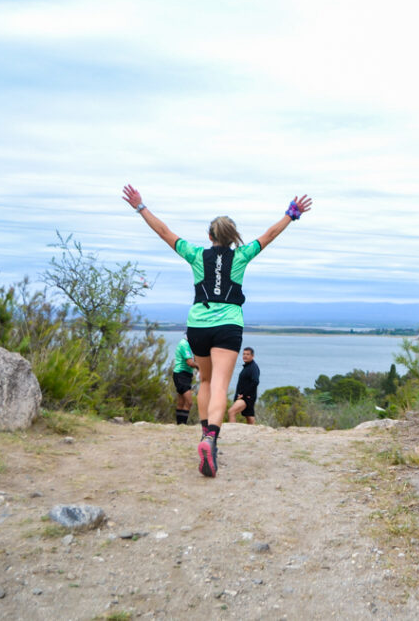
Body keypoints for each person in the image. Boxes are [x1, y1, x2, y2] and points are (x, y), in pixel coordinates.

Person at [122, 184, 312, 477]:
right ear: (232, 237)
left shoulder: (196, 254)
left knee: (206, 380)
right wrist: (292, 214)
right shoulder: (243, 255)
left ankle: (203, 435)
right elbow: (270, 235)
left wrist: (140, 206)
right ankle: (212, 438)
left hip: (198, 324)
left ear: (210, 237)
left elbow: (164, 232)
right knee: (222, 385)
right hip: (228, 326)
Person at [228, 346, 260, 424]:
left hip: (247, 398)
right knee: (249, 417)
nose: (245, 356)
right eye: (244, 354)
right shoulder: (247, 366)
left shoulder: (253, 367)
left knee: (231, 412)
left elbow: (255, 381)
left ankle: (232, 432)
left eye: (248, 354)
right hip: (245, 397)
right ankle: (253, 434)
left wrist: (244, 394)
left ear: (252, 356)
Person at [171, 336, 199, 425]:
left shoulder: (188, 344)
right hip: (181, 374)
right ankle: (183, 423)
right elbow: (190, 363)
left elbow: (195, 359)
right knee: (189, 402)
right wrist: (202, 367)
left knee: (181, 401)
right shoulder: (184, 344)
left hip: (184, 374)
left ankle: (179, 424)